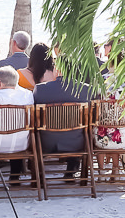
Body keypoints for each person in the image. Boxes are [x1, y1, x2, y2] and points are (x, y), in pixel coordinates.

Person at [32, 47, 91, 179]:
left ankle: (37, 177)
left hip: (46, 143)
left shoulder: (41, 90)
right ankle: (72, 168)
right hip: (77, 144)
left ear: (57, 70)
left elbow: (32, 115)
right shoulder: (85, 90)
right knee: (81, 127)